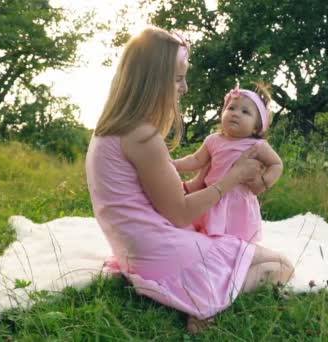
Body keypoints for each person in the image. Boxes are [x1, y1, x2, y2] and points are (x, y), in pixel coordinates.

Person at [85, 27, 294, 334]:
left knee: (256, 257)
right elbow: (180, 212)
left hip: (133, 248)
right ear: (153, 80)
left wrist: (197, 181)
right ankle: (206, 298)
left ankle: (193, 289)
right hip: (158, 251)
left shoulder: (110, 130)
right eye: (178, 78)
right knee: (282, 267)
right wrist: (232, 177)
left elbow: (158, 196)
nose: (184, 88)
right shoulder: (142, 136)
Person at [173, 82, 283, 243]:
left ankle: (236, 258)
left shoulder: (256, 146)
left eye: (245, 112)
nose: (235, 114)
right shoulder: (213, 140)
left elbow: (277, 164)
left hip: (238, 202)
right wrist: (172, 164)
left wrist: (263, 182)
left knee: (237, 239)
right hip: (212, 196)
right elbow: (195, 159)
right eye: (231, 108)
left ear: (256, 127)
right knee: (207, 236)